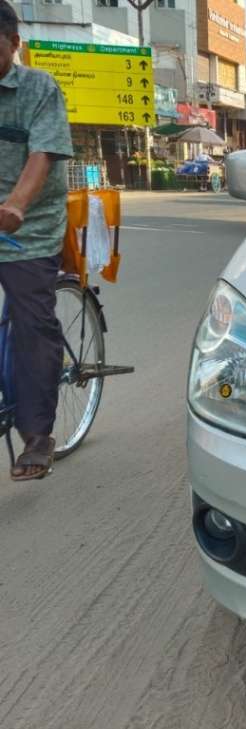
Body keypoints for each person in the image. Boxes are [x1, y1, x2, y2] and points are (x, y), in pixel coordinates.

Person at [0, 0, 74, 480]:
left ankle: (37, 435)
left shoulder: (39, 88)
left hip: (29, 225)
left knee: (31, 322)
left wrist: (16, 206)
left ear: (13, 42)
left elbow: (43, 154)